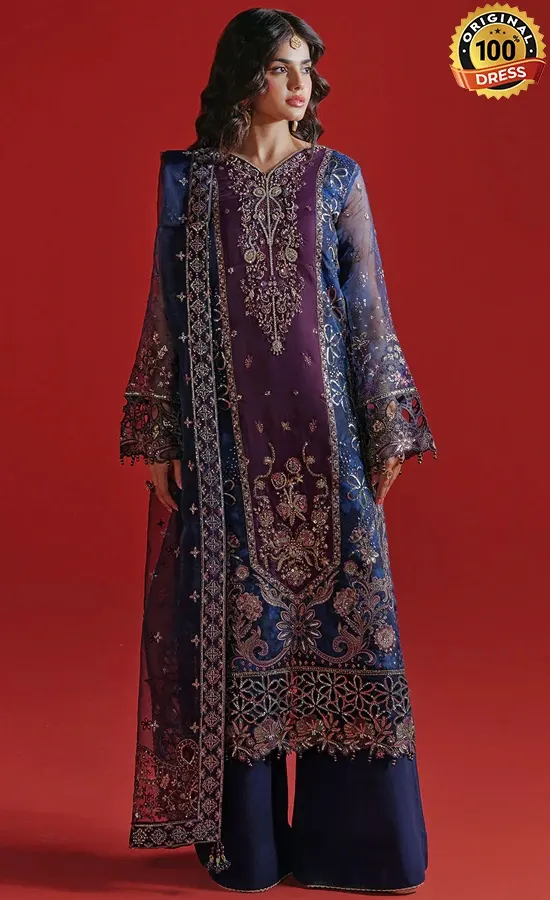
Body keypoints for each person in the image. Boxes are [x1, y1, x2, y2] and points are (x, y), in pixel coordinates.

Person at [119, 7, 437, 895]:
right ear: (243, 75)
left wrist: (389, 422)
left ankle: (359, 849)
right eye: (280, 68)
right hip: (227, 452)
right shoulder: (194, 182)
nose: (300, 85)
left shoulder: (337, 178)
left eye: (306, 69)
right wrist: (158, 428)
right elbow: (164, 306)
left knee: (349, 620)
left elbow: (366, 307)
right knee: (240, 626)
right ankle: (250, 846)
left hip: (329, 442)